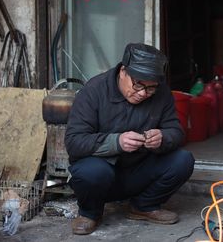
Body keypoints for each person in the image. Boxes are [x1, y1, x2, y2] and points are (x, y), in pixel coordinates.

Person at [65, 43, 195, 235]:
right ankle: (89, 213)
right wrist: (116, 142)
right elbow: (74, 142)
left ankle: (144, 206)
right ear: (123, 71)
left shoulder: (161, 93)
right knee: (92, 171)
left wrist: (163, 137)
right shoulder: (94, 90)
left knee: (183, 160)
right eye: (139, 85)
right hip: (101, 173)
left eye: (151, 88)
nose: (143, 93)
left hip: (137, 171)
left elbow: (176, 131)